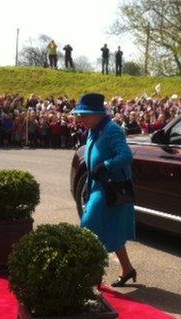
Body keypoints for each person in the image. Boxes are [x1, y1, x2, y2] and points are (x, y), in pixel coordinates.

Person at [74, 93, 137, 287]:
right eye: (80, 115)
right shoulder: (93, 130)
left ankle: (93, 276)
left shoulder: (112, 130)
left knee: (89, 229)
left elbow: (126, 155)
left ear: (98, 114)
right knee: (112, 229)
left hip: (109, 189)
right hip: (96, 188)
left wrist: (107, 165)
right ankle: (127, 269)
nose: (81, 119)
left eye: (84, 115)